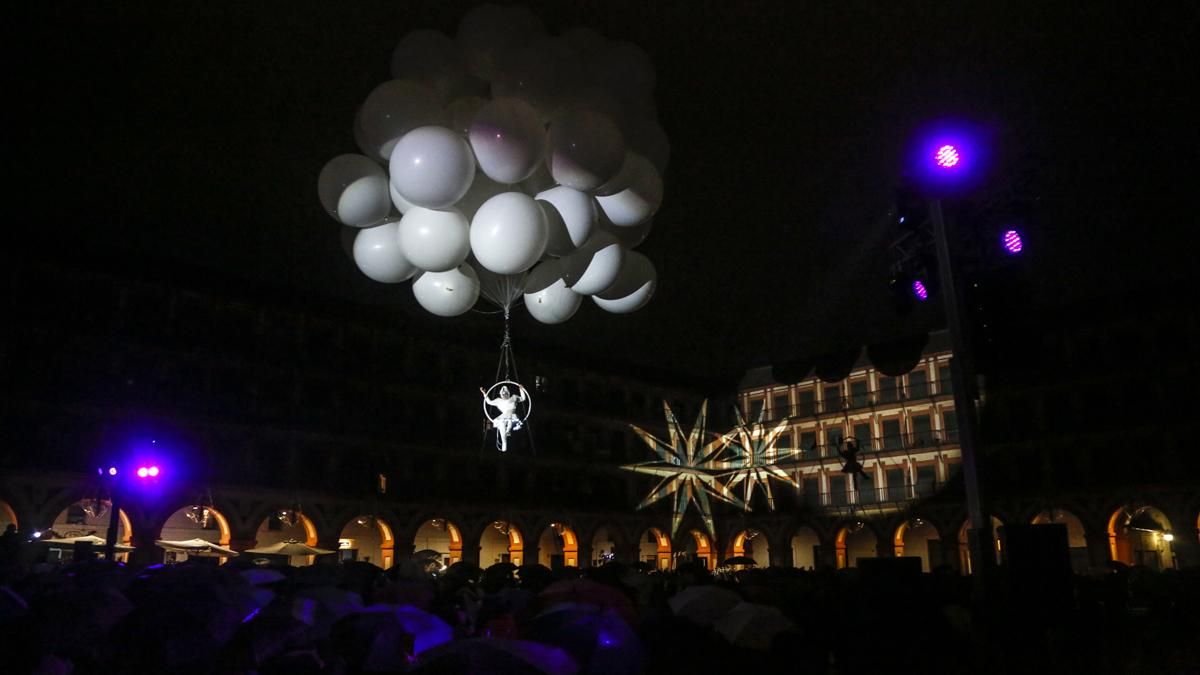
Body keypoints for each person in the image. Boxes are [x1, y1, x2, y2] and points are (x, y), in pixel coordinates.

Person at [481, 385, 525, 452]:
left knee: (509, 419)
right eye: (503, 393)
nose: (504, 394)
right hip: (503, 418)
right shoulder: (498, 400)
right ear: (500, 394)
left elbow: (523, 398)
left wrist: (521, 390)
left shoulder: (514, 397)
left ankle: (508, 430)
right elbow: (489, 402)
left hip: (512, 417)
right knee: (501, 424)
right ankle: (504, 442)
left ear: (508, 393)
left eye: (506, 392)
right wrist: (484, 394)